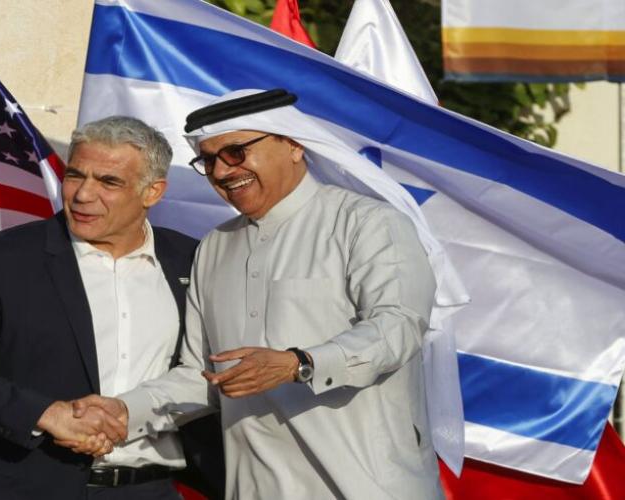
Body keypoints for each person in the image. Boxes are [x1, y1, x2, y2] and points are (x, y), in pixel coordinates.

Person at [75, 89, 469, 499]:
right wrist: (124, 410)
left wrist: (300, 364)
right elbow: (202, 376)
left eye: (236, 152)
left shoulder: (367, 223)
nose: (222, 171)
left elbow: (398, 327)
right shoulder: (214, 246)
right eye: (208, 161)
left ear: (294, 145)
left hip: (364, 487)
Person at [0, 116, 223, 500]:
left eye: (108, 182)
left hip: (153, 489)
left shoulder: (193, 259)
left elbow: (213, 370)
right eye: (75, 175)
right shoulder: (2, 259)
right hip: (25, 489)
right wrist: (46, 414)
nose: (83, 194)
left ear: (152, 192)